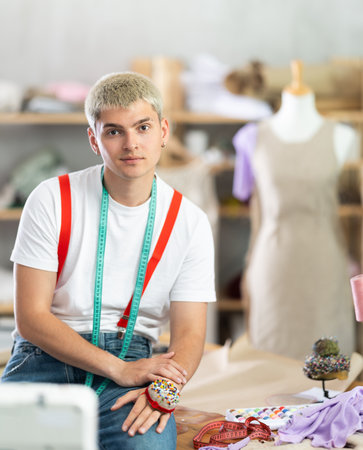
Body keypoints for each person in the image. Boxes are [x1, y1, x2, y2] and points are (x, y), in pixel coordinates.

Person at [1, 72, 216, 449]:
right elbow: (31, 318)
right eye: (114, 131)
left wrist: (165, 388)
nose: (131, 144)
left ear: (163, 131)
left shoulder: (190, 222)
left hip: (133, 360)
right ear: (93, 138)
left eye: (143, 127)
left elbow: (190, 334)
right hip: (45, 357)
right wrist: (118, 367)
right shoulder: (52, 198)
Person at [233, 61, 357, 361]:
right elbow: (245, 196)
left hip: (324, 266)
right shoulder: (252, 137)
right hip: (273, 264)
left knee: (330, 367)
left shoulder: (343, 136)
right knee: (271, 367)